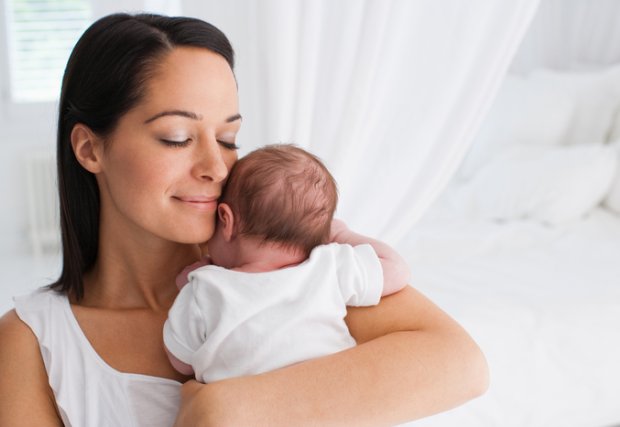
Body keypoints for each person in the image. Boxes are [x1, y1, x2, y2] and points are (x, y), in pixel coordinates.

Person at [0, 12, 488, 427]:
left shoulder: (285, 256)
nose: (216, 167)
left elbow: (461, 364)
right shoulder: (32, 341)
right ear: (90, 149)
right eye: (176, 137)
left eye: (229, 139)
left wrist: (230, 408)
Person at [164, 144, 411, 382]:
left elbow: (180, 361)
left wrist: (186, 289)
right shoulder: (327, 267)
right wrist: (342, 235)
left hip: (246, 411)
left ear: (226, 221)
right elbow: (396, 270)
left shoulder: (204, 288)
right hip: (330, 403)